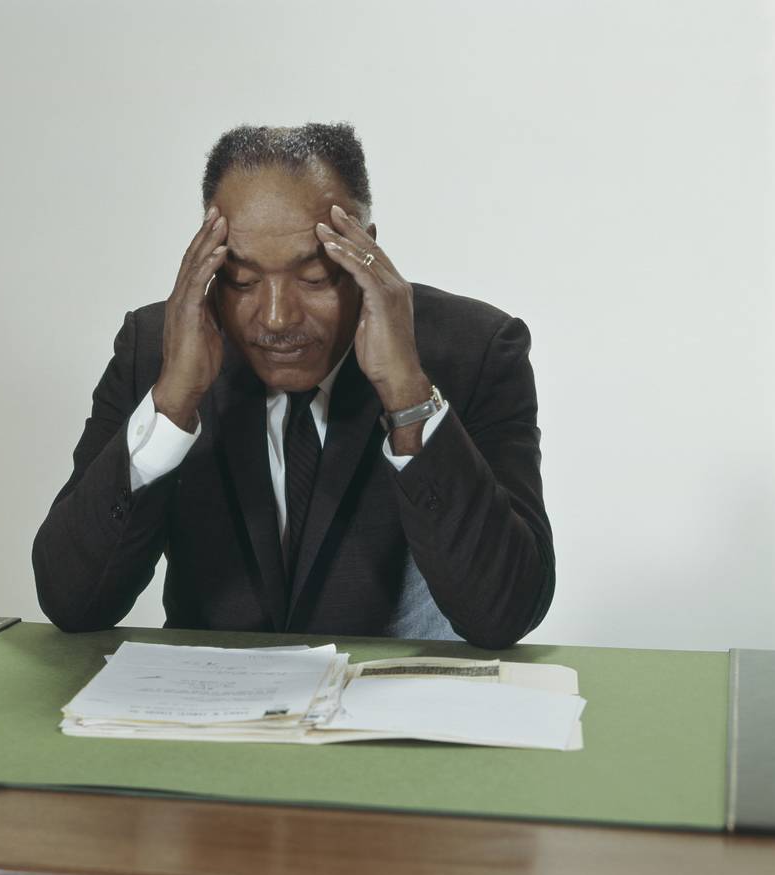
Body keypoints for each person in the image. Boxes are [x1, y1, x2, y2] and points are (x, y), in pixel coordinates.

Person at [32, 123, 553, 648]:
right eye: (242, 280)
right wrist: (171, 405)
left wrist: (409, 397)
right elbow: (73, 602)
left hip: (391, 712)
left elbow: (504, 614)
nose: (277, 318)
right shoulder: (156, 348)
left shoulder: (475, 352)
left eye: (315, 277)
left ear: (366, 253)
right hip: (209, 714)